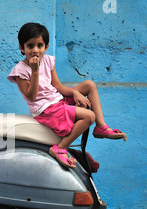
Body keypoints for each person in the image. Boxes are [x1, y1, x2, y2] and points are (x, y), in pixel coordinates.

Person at [7, 22, 126, 169]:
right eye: (30, 46)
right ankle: (60, 148)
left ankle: (101, 127)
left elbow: (57, 86)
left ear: (46, 46)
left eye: (40, 45)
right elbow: (31, 97)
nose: (35, 50)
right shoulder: (20, 70)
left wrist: (75, 93)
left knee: (89, 85)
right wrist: (35, 71)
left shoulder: (48, 60)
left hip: (57, 100)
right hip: (45, 109)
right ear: (21, 48)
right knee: (89, 116)